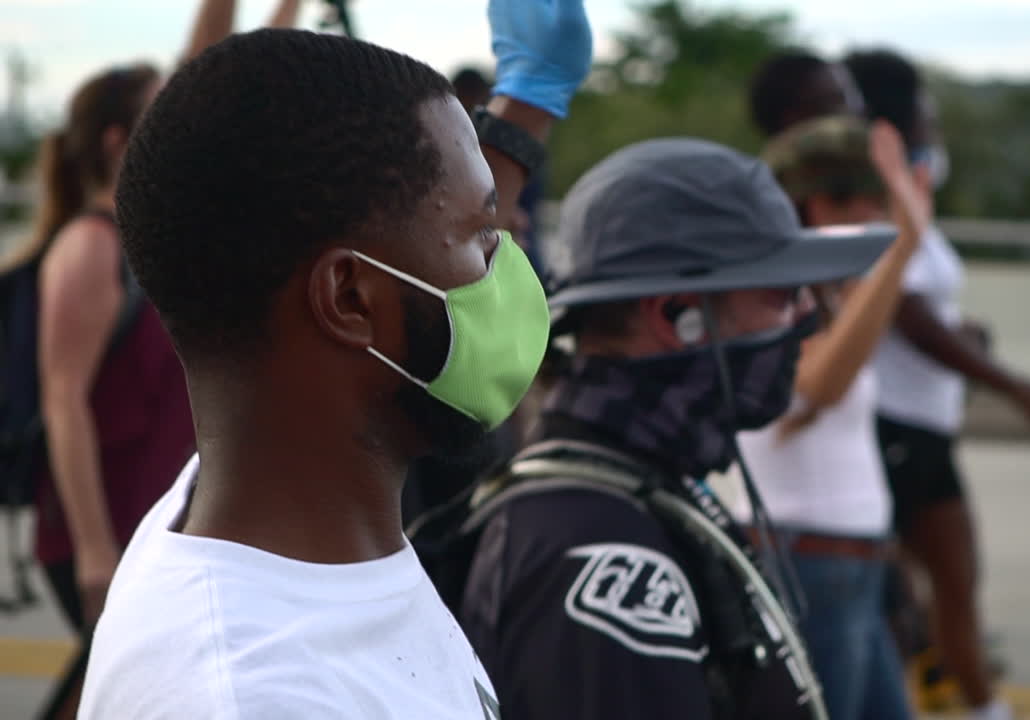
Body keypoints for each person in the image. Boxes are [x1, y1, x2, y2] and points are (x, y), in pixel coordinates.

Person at [78, 0, 592, 716]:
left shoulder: (238, 487)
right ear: (349, 299)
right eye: (485, 236)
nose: (506, 267)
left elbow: (392, 232)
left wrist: (528, 104)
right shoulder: (256, 697)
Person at [447, 133, 896, 719]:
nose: (809, 317)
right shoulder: (596, 550)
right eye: (783, 293)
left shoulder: (643, 487)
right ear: (676, 315)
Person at [0, 3, 301, 718]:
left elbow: (220, 73)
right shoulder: (90, 247)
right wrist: (95, 550)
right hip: (105, 534)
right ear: (118, 142)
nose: (185, 123)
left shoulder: (157, 236)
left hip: (157, 527)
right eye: (160, 109)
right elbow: (63, 403)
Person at [846, 48, 1030, 720]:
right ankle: (968, 700)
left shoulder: (910, 198)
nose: (934, 121)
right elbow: (908, 316)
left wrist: (965, 333)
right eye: (926, 109)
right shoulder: (878, 199)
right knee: (931, 585)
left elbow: (924, 311)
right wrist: (1006, 382)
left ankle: (948, 679)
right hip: (898, 424)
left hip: (924, 426)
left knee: (935, 585)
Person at [732, 114, 928, 720]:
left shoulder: (824, 295)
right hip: (811, 564)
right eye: (873, 202)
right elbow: (818, 387)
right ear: (819, 206)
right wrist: (902, 249)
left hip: (845, 565)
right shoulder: (777, 297)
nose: (881, 217)